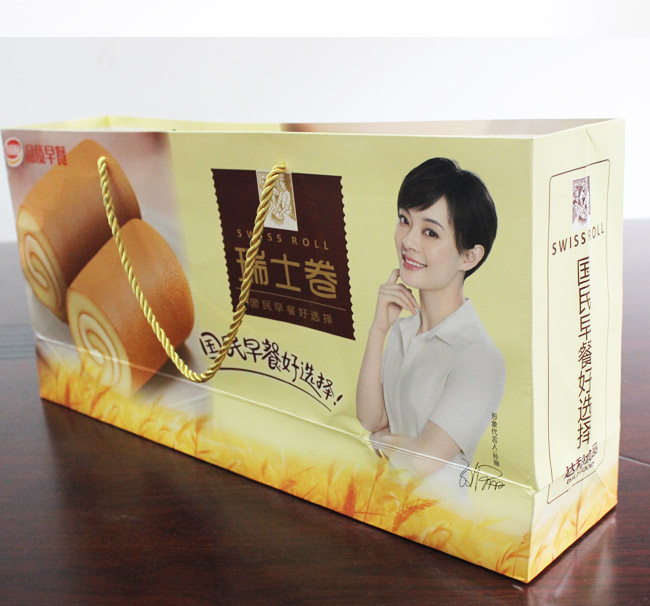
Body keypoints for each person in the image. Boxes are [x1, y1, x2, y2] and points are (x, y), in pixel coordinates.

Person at [356, 158, 505, 477]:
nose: (408, 241)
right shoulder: (403, 330)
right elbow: (371, 419)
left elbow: (422, 461)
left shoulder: (477, 355)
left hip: (443, 508)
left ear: (469, 256)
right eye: (404, 220)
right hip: (387, 500)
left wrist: (380, 440)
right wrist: (378, 330)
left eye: (430, 232)